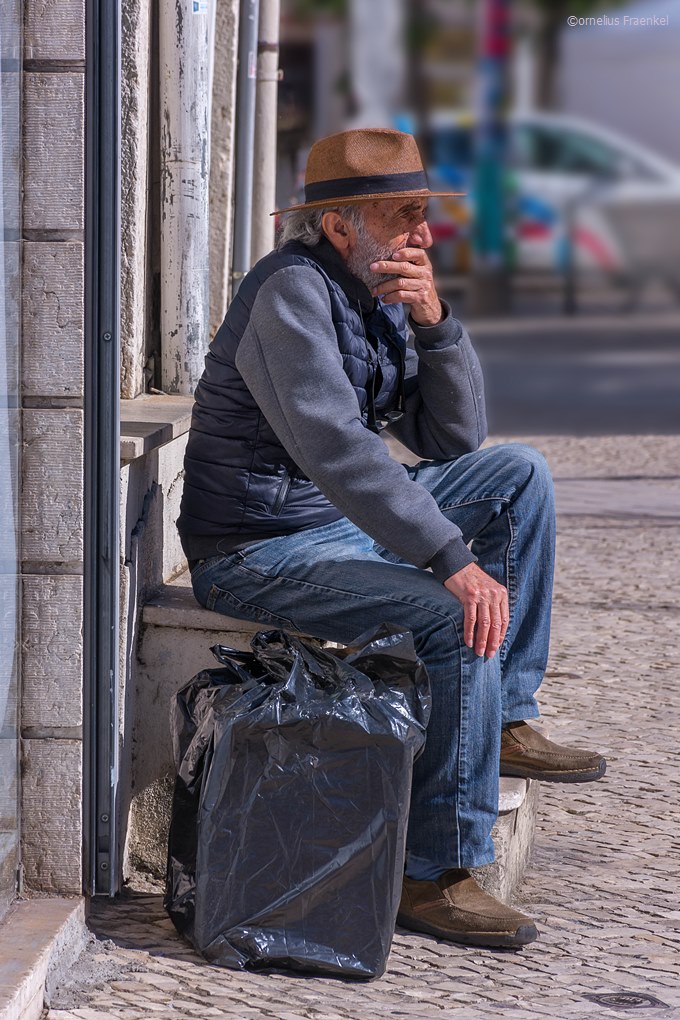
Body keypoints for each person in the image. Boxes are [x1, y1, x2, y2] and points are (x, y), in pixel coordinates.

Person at [177, 127, 606, 950]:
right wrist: (450, 561)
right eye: (405, 212)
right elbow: (336, 451)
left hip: (328, 521)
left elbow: (453, 439)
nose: (424, 231)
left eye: (423, 212)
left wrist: (436, 323)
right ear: (341, 225)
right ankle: (432, 871)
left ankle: (505, 719)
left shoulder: (376, 290)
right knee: (450, 616)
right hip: (256, 549)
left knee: (518, 474)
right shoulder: (289, 293)